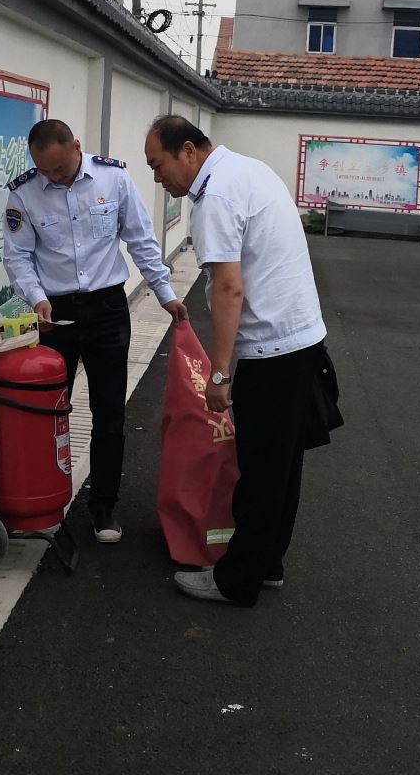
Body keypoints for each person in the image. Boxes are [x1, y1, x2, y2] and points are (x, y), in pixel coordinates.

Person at [143, 114, 329, 606]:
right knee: (282, 466)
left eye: (158, 165)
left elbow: (229, 288)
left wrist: (220, 374)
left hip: (274, 349)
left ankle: (237, 580)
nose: (158, 178)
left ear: (188, 151)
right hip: (301, 338)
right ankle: (267, 564)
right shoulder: (248, 169)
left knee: (260, 470)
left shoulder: (217, 196)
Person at [3, 119, 188, 543]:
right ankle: (42, 503)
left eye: (60, 168)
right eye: (45, 170)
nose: (54, 177)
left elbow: (141, 239)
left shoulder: (113, 178)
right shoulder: (24, 193)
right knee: (47, 412)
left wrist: (165, 294)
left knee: (109, 413)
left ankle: (103, 506)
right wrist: (36, 298)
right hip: (55, 314)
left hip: (107, 310)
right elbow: (18, 256)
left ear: (76, 148)